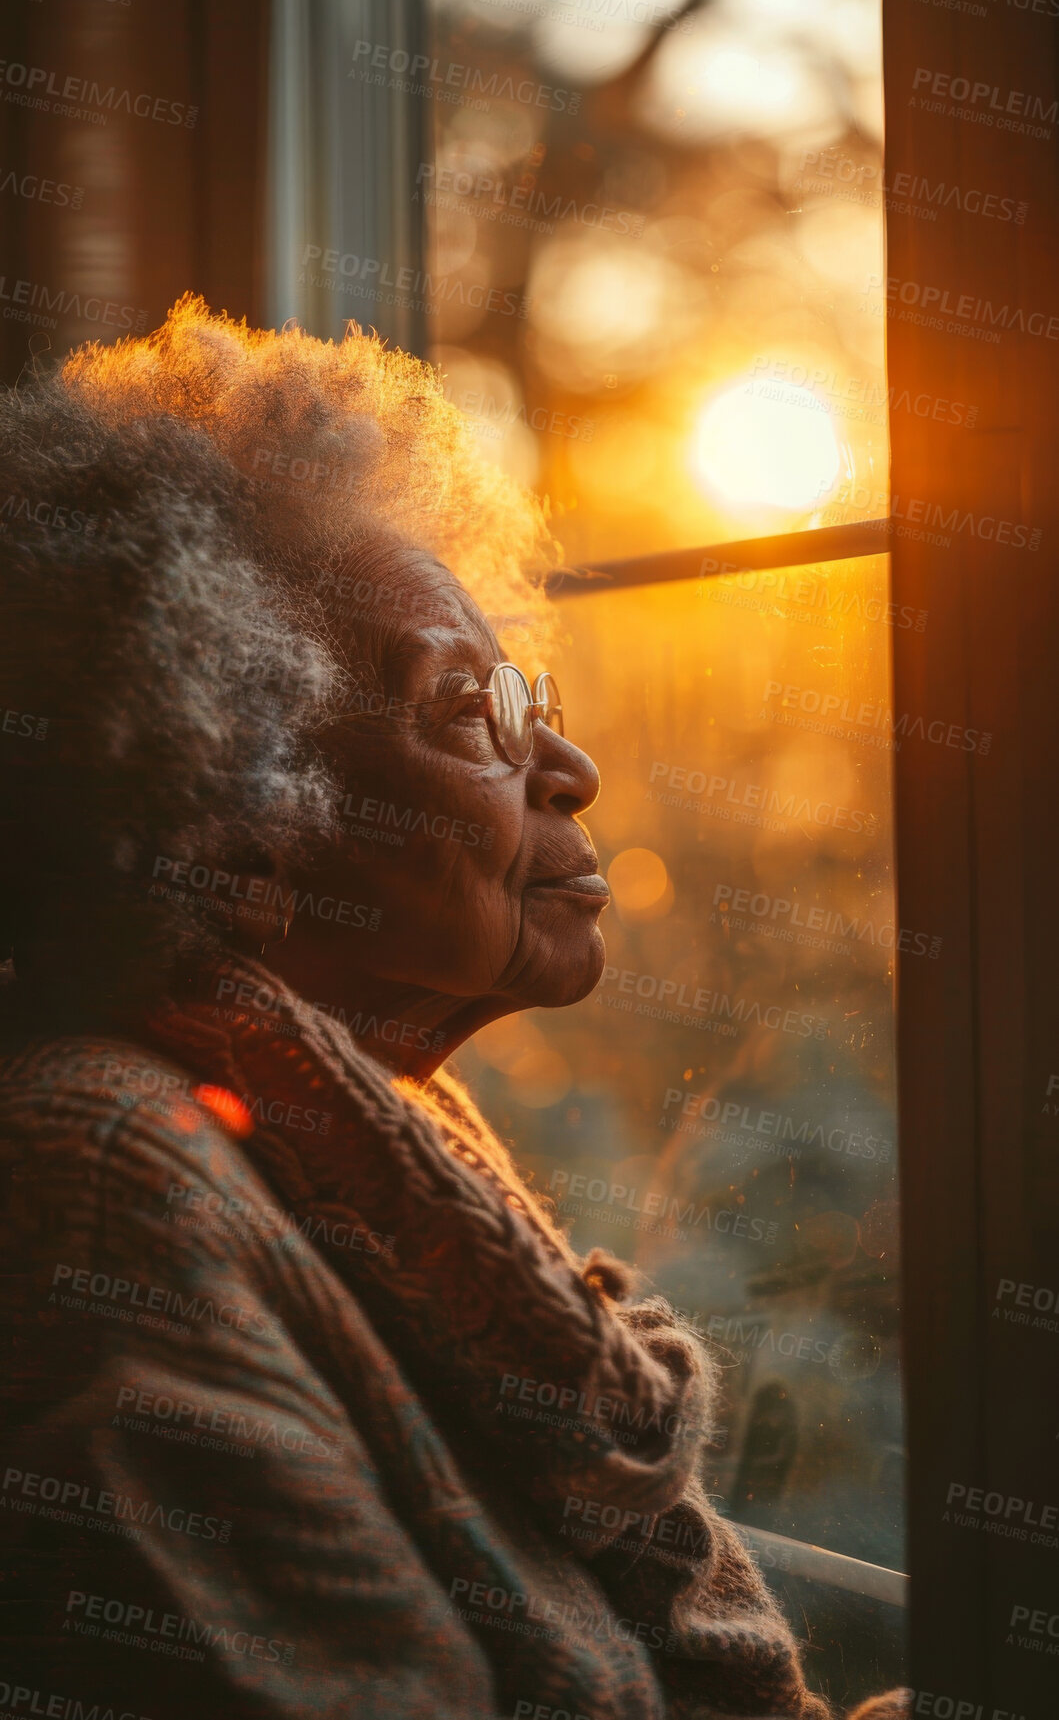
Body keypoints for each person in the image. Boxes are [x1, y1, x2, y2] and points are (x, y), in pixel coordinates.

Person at [0, 298, 906, 1720]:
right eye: (469, 707)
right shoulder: (108, 1167)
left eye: (529, 693)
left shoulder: (373, 1125)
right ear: (235, 820)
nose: (575, 765)